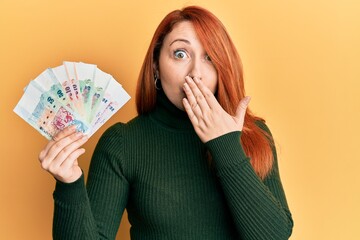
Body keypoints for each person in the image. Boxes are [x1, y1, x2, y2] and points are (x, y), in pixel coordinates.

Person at [38, 5, 293, 240]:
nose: (196, 73)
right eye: (180, 54)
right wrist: (69, 184)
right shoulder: (124, 143)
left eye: (210, 58)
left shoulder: (252, 133)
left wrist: (226, 145)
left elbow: (274, 236)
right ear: (156, 67)